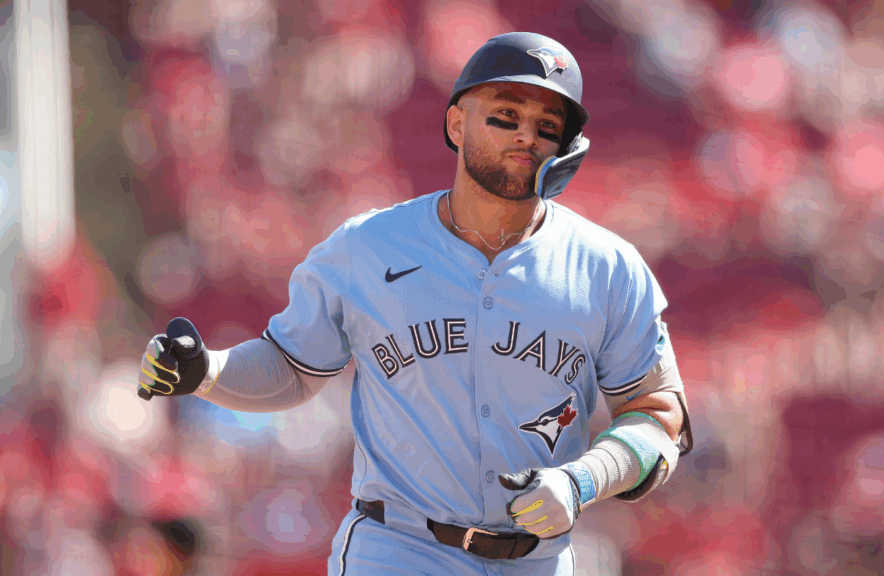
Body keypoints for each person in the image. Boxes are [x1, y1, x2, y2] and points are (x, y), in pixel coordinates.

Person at [137, 32, 693, 575]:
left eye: (547, 127)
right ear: (456, 123)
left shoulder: (608, 268)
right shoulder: (368, 246)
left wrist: (583, 481)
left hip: (541, 559)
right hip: (400, 546)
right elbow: (291, 366)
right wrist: (207, 370)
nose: (526, 137)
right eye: (504, 116)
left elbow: (659, 421)